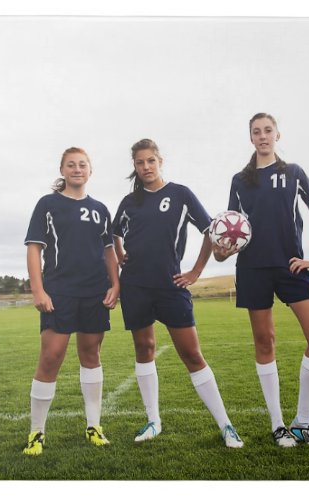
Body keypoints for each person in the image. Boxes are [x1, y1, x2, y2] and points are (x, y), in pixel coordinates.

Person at [112, 138, 243, 448]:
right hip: (136, 286)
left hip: (171, 285)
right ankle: (153, 420)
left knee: (192, 354)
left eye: (151, 161)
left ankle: (226, 425)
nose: (146, 167)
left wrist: (196, 272)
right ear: (135, 166)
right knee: (144, 349)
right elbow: (114, 233)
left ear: (160, 161)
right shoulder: (129, 202)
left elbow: (211, 231)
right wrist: (119, 255)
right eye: (140, 162)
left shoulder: (181, 194)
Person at [214, 113, 309, 449]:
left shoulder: (293, 172)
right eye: (256, 132)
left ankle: (303, 422)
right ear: (250, 138)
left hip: (291, 267)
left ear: (278, 134)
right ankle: (279, 425)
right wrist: (220, 252)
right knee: (265, 342)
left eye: (268, 130)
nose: (263, 136)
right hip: (253, 269)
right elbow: (230, 231)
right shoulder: (240, 180)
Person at [22, 147, 120, 456]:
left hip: (94, 292)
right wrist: (38, 290)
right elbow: (35, 248)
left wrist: (116, 284)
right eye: (71, 165)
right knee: (51, 357)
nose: (77, 169)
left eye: (82, 165)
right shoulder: (48, 204)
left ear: (90, 170)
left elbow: (109, 251)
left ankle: (94, 426)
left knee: (91, 354)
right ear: (63, 170)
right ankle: (36, 433)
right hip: (59, 291)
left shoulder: (101, 209)